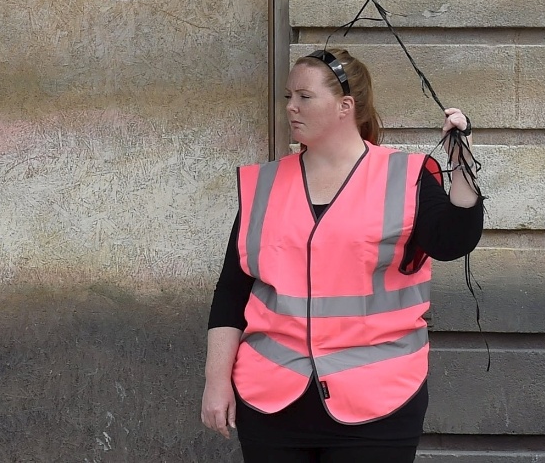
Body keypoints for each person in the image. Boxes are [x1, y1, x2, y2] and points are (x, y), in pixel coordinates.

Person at [200, 48, 482, 462]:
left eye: (304, 97)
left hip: (378, 401)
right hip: (272, 398)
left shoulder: (404, 176)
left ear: (344, 106)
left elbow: (454, 241)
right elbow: (232, 292)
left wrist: (462, 163)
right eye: (287, 97)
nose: (291, 107)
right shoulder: (263, 184)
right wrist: (216, 380)